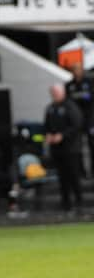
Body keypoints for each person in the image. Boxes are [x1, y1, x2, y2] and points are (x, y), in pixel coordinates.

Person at [44, 84, 84, 212]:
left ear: (62, 92)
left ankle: (79, 203)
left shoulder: (70, 106)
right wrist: (49, 135)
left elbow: (77, 125)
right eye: (53, 93)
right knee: (62, 178)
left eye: (56, 93)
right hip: (57, 150)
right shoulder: (50, 108)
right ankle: (66, 204)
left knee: (73, 177)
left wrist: (62, 136)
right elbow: (46, 126)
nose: (54, 95)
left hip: (71, 149)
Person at [65, 62, 94, 177]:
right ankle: (81, 171)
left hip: (90, 119)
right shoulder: (69, 85)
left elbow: (90, 98)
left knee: (92, 145)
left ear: (82, 70)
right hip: (75, 120)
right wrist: (82, 97)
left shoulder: (90, 82)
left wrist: (80, 97)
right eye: (74, 69)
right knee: (77, 146)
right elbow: (68, 101)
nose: (76, 72)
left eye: (78, 69)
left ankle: (92, 170)